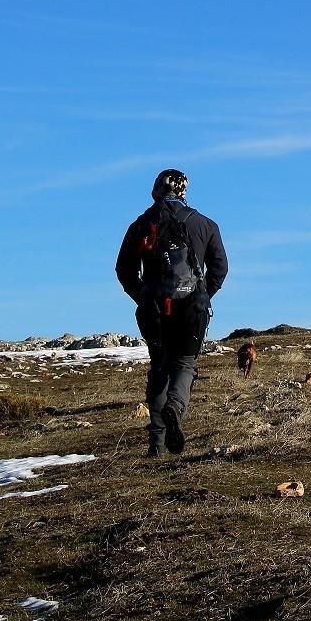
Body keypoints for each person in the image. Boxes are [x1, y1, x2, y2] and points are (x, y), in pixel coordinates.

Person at [115, 168, 228, 456]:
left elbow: (123, 269)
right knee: (184, 364)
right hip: (192, 307)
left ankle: (157, 444)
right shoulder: (205, 225)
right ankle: (175, 410)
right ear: (183, 191)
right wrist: (203, 295)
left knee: (159, 367)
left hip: (153, 307)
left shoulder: (141, 224)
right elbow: (220, 268)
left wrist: (141, 295)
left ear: (156, 189)